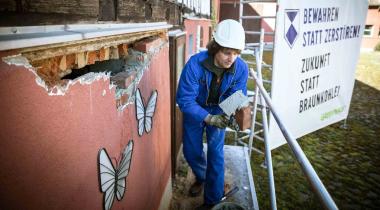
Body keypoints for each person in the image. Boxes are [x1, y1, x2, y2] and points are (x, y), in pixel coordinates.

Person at [176, 19, 248, 210]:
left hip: (220, 110)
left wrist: (230, 114)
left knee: (216, 153)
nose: (231, 58)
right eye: (227, 52)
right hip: (196, 110)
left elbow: (238, 94)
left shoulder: (241, 68)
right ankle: (202, 177)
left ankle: (212, 200)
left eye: (236, 53)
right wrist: (207, 118)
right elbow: (184, 99)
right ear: (215, 47)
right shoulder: (195, 65)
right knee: (191, 152)